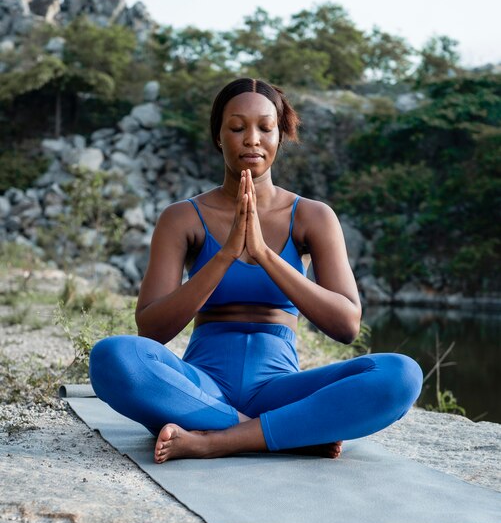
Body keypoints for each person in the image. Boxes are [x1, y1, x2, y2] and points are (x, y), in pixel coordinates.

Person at [89, 77, 423, 464]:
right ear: (218, 136)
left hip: (280, 388)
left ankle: (215, 441)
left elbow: (346, 325)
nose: (252, 139)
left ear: (280, 136)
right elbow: (151, 328)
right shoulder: (182, 218)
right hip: (199, 390)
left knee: (401, 374)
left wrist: (265, 254)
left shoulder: (312, 217)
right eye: (236, 127)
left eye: (265, 127)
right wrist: (226, 254)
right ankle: (283, 432)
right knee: (112, 356)